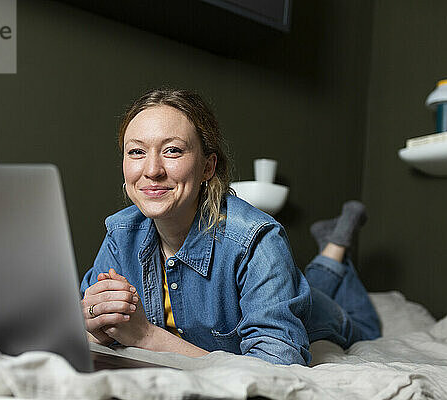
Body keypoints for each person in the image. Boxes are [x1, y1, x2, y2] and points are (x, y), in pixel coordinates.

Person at [80, 88, 380, 365]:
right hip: (287, 283)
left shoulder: (256, 239)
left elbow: (278, 364)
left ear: (207, 167)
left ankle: (337, 246)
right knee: (306, 284)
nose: (152, 170)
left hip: (324, 317)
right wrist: (95, 320)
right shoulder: (121, 233)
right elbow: (91, 324)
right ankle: (330, 248)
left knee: (361, 324)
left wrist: (147, 336)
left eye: (172, 150)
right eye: (136, 152)